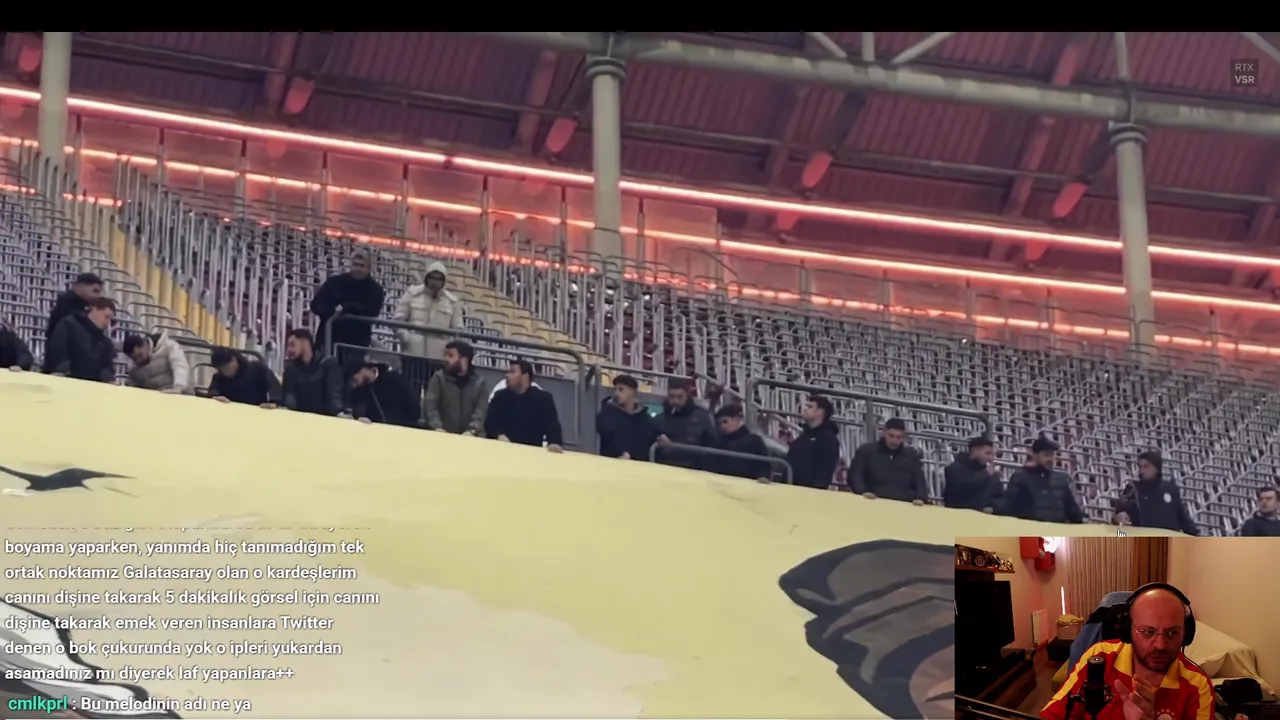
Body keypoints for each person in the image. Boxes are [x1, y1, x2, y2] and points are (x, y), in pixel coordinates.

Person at [1040, 584, 1215, 720]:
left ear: (1187, 633)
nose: (1160, 645)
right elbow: (1053, 714)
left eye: (1172, 633)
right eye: (1148, 632)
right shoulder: (1099, 656)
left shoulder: (1198, 686)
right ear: (1127, 629)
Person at [394, 261, 464, 399]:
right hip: (413, 356)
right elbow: (398, 320)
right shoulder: (412, 294)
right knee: (408, 396)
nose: (435, 282)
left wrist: (448, 351)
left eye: (439, 279)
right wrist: (407, 339)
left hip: (438, 359)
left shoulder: (452, 302)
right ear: (426, 277)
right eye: (432, 277)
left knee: (434, 400)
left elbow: (458, 331)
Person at [310, 250, 385, 358]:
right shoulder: (335, 282)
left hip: (356, 343)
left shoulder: (375, 289)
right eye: (355, 264)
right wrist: (332, 314)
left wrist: (345, 308)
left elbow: (373, 310)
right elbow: (316, 304)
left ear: (369, 268)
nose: (357, 268)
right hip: (328, 338)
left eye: (362, 266)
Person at [999, 435, 1085, 524]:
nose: (1050, 459)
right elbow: (1010, 507)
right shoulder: (1020, 478)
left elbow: (1072, 510)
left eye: (1052, 455)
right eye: (1046, 455)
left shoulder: (1061, 479)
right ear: (1034, 455)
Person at [1112, 451, 1199, 535]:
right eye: (1140, 466)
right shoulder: (1134, 488)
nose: (1141, 470)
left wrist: (1196, 536)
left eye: (1146, 466)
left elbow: (1183, 518)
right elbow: (1121, 509)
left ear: (1156, 468)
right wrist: (1119, 516)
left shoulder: (1170, 489)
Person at [485, 359, 563, 452]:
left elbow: (552, 426)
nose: (507, 375)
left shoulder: (543, 399)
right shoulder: (500, 396)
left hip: (530, 453)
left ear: (525, 376)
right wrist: (499, 435)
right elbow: (490, 421)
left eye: (512, 372)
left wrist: (554, 443)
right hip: (500, 449)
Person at [849, 418, 928, 505]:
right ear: (884, 433)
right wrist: (862, 491)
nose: (894, 441)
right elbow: (856, 475)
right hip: (872, 502)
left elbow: (919, 480)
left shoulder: (911, 456)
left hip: (903, 504)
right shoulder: (867, 451)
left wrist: (920, 498)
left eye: (898, 437)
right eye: (891, 436)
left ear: (903, 437)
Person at [41, 297, 118, 383]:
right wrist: (62, 370)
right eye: (106, 317)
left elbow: (106, 367)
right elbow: (58, 350)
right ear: (94, 309)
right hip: (65, 381)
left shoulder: (106, 343)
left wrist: (108, 379)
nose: (108, 323)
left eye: (110, 320)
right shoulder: (68, 324)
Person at [424, 340, 489, 435]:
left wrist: (472, 430)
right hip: (441, 434)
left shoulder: (479, 383)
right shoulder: (439, 378)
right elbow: (431, 407)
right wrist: (437, 427)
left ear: (464, 359)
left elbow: (480, 412)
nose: (446, 359)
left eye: (450, 356)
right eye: (445, 355)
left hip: (472, 436)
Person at [653, 379, 716, 470]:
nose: (675, 401)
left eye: (680, 397)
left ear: (687, 396)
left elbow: (711, 447)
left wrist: (672, 447)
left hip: (692, 469)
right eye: (672, 396)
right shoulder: (658, 420)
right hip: (663, 468)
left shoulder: (702, 418)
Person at [596, 374, 661, 460]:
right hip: (612, 462)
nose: (616, 393)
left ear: (632, 391)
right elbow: (608, 433)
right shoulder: (607, 412)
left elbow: (653, 435)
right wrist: (621, 452)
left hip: (638, 465)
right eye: (615, 390)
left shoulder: (643, 417)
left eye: (621, 389)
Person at [280, 329, 345, 416]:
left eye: (292, 344)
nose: (289, 349)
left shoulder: (328, 364)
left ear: (305, 343)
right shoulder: (290, 369)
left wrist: (339, 413)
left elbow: (334, 395)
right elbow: (288, 397)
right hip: (298, 418)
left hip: (323, 419)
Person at [785, 395, 841, 489]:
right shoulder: (802, 438)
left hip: (811, 493)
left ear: (821, 412)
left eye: (810, 407)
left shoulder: (828, 439)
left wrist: (816, 492)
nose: (805, 409)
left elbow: (825, 470)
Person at [346, 360, 420, 428]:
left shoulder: (393, 378)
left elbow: (412, 404)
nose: (354, 385)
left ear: (362, 370)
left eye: (354, 380)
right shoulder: (359, 392)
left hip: (401, 428)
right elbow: (357, 411)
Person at [710, 404, 772, 481]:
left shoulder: (754, 441)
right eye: (719, 424)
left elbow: (764, 464)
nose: (722, 426)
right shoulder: (717, 443)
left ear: (736, 419)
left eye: (725, 421)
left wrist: (763, 477)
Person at [943, 436, 1003, 513]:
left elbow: (999, 496)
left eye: (993, 455)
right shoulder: (955, 468)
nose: (991, 458)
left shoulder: (992, 474)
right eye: (987, 453)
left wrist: (994, 507)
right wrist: (985, 474)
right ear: (975, 451)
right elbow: (963, 489)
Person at [122, 330, 191, 394]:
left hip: (176, 393)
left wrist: (179, 387)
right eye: (134, 359)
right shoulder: (133, 370)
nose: (138, 360)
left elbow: (179, 366)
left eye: (140, 355)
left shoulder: (168, 347)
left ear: (145, 345)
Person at [208, 348, 281, 408]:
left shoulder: (258, 369)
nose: (225, 373)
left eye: (227, 368)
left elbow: (274, 386)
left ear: (234, 359)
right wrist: (217, 398)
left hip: (257, 411)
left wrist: (274, 402)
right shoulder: (219, 377)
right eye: (221, 370)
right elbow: (213, 392)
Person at [45, 272, 103, 342]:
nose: (98, 296)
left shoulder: (74, 306)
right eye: (95, 291)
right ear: (81, 286)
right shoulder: (67, 307)